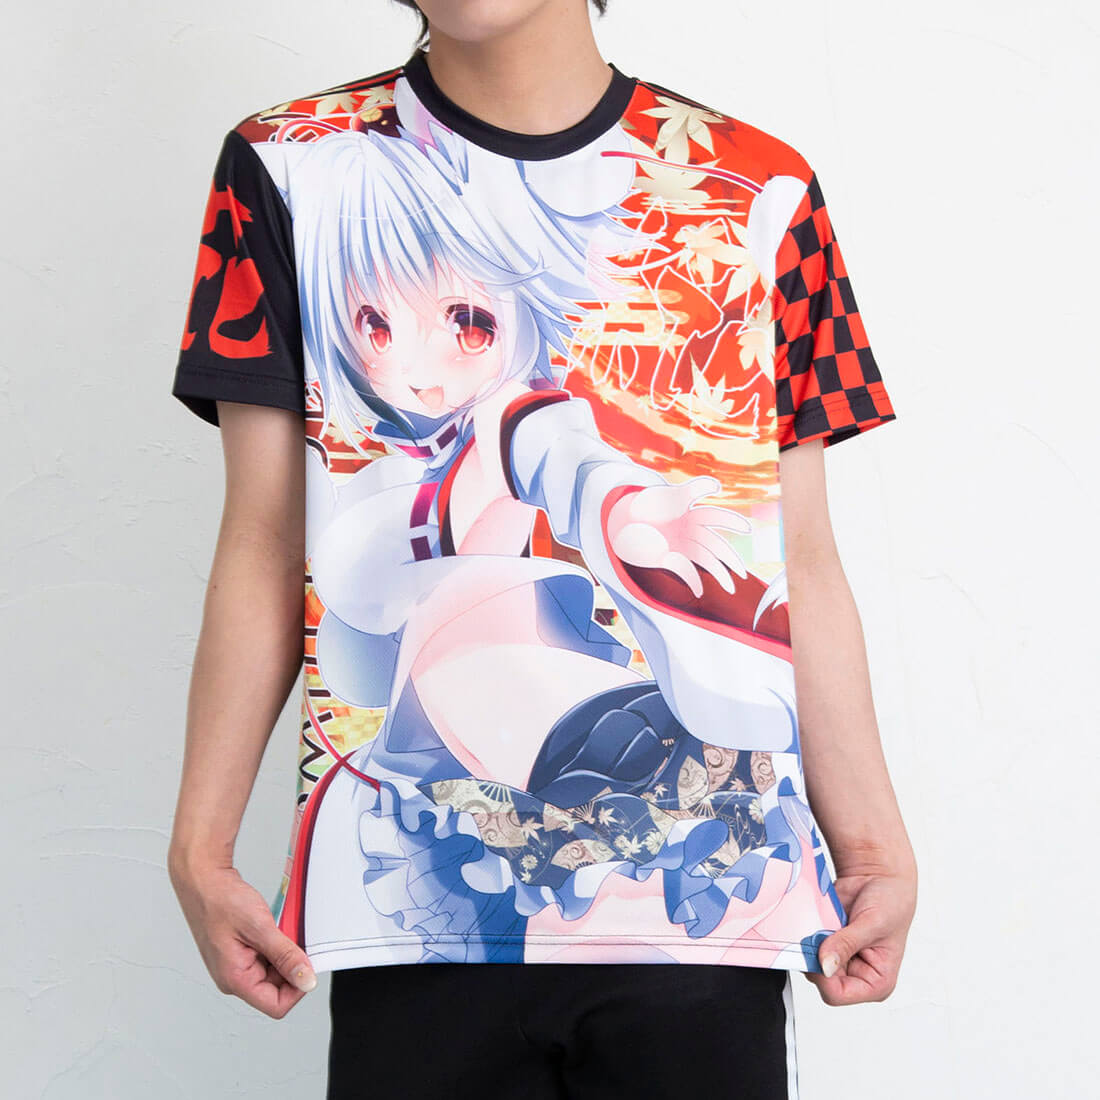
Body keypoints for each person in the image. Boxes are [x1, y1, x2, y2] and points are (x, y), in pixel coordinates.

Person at [167, 1, 918, 1096]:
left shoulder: (758, 191)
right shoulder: (287, 168)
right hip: (416, 914)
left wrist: (871, 845)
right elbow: (267, 542)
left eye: (468, 323)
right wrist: (201, 844)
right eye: (374, 326)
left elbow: (796, 555)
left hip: (698, 923)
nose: (417, 363)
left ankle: (617, 749)